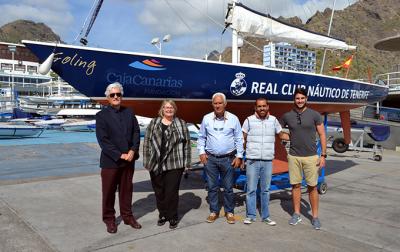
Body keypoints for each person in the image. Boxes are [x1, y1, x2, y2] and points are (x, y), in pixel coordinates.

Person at [96, 82, 142, 234]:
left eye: (118, 94)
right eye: (112, 95)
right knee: (109, 192)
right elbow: (103, 140)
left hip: (129, 160)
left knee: (126, 190)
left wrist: (133, 150)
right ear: (108, 98)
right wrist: (119, 154)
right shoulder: (101, 116)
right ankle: (109, 219)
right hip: (111, 161)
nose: (116, 97)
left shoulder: (129, 112)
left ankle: (128, 217)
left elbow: (136, 132)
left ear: (121, 96)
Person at [280, 87, 327, 230]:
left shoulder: (314, 115)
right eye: (297, 98)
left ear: (306, 99)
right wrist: (287, 137)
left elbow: (322, 135)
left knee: (312, 187)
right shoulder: (287, 116)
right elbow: (278, 131)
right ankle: (296, 213)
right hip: (294, 156)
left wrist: (323, 155)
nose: (299, 101)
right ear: (294, 100)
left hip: (311, 157)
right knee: (295, 185)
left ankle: (315, 216)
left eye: (302, 98)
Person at [143, 100, 191, 229]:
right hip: (156, 162)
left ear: (174, 109)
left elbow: (187, 144)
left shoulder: (181, 124)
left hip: (175, 163)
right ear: (162, 109)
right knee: (159, 191)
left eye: (171, 107)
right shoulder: (154, 123)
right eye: (166, 107)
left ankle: (173, 216)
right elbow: (147, 142)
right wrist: (147, 161)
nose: (168, 109)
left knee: (171, 192)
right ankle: (162, 214)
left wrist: (187, 162)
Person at [197, 92, 243, 224]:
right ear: (212, 104)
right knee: (212, 187)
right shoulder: (206, 118)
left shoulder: (233, 119)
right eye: (215, 103)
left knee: (228, 187)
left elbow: (239, 138)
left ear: (225, 104)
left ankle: (229, 211)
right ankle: (214, 211)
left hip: (228, 158)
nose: (218, 105)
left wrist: (239, 156)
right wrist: (201, 153)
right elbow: (201, 137)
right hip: (210, 159)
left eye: (220, 103)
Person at [242, 97, 288, 225]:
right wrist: (241, 156)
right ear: (255, 108)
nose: (262, 108)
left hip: (267, 160)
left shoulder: (273, 121)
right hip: (252, 160)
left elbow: (281, 135)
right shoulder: (249, 121)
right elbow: (242, 139)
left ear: (268, 106)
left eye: (264, 106)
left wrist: (298, 135)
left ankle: (265, 216)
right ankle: (250, 215)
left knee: (265, 190)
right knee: (251, 189)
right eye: (259, 106)